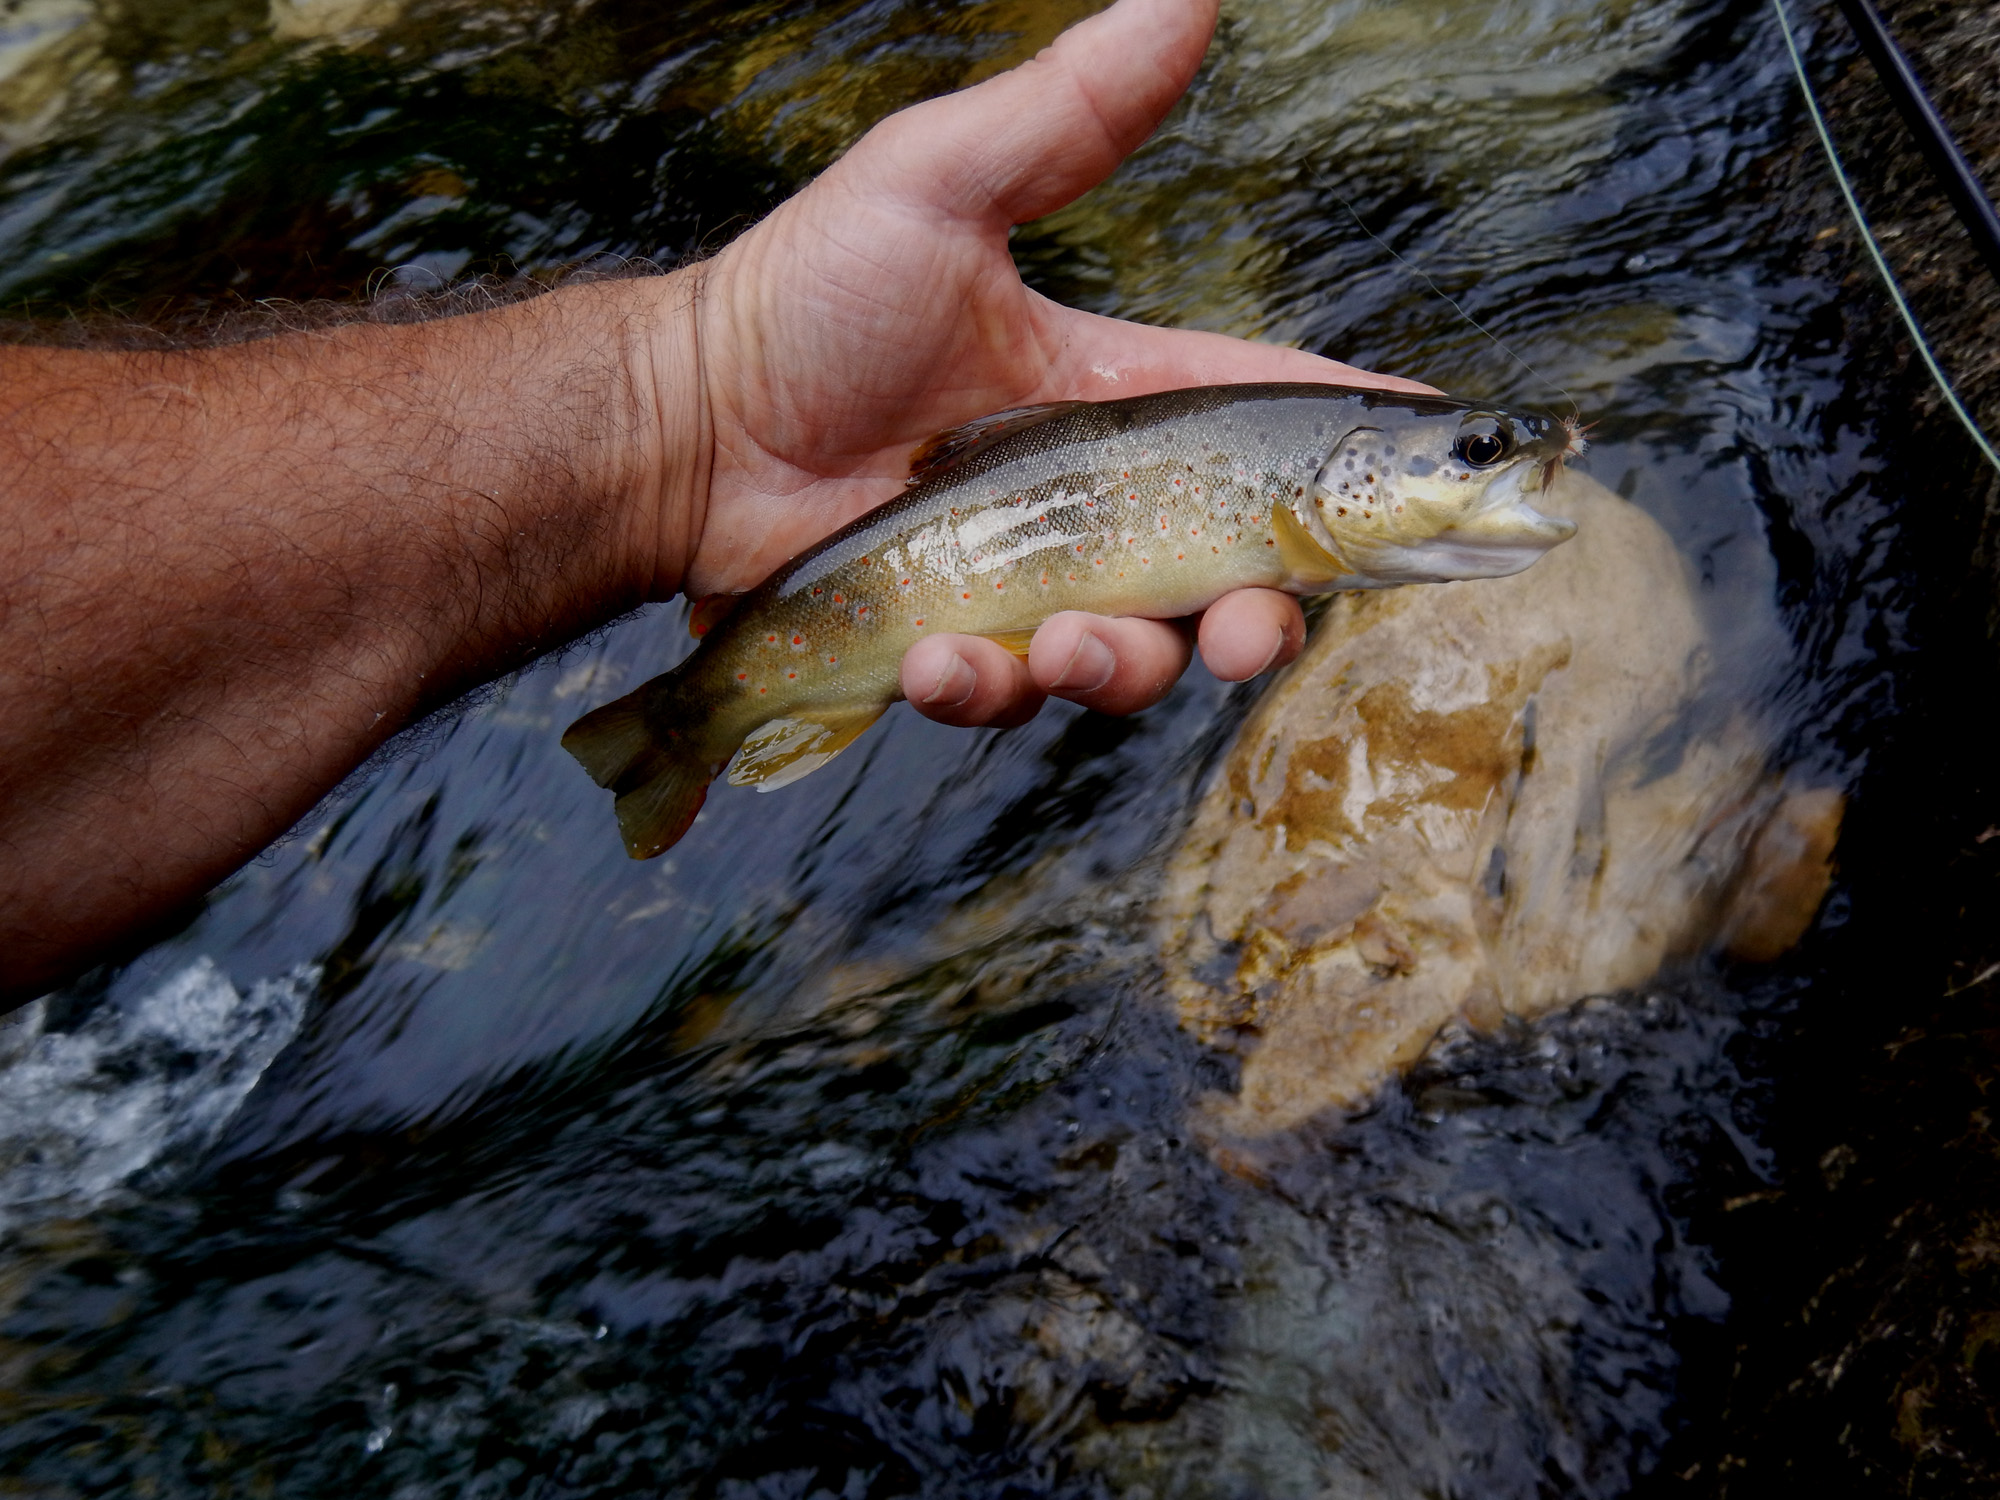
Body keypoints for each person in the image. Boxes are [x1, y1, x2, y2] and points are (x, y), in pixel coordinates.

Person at [0, 0, 1427, 1005]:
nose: (1480, 461)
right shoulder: (1306, 483)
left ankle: (686, 723)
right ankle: (685, 724)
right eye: (1471, 450)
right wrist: (683, 401)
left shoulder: (1318, 486)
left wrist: (689, 404)